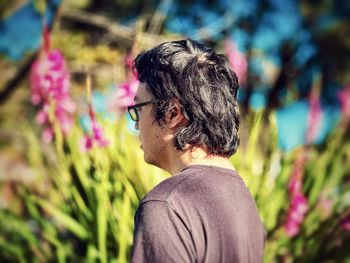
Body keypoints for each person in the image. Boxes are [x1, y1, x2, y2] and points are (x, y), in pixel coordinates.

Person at [128, 39, 265, 263]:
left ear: (173, 113)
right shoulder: (245, 203)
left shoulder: (167, 206)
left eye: (138, 109)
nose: (135, 124)